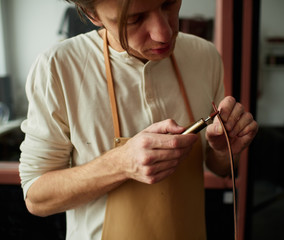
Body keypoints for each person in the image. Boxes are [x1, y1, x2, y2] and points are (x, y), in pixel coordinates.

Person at [19, 0, 258, 239]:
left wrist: (224, 151)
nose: (163, 33)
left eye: (169, 4)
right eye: (134, 19)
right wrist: (120, 164)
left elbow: (220, 169)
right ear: (92, 15)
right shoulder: (58, 67)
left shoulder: (204, 56)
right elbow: (36, 199)